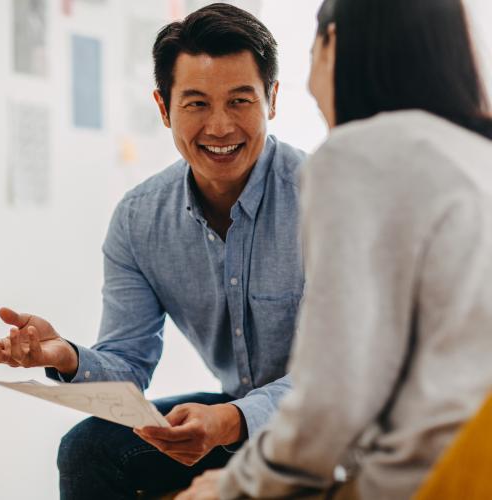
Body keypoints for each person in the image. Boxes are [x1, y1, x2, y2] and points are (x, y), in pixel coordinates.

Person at [0, 3, 306, 498]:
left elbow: (350, 379)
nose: (219, 127)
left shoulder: (330, 199)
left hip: (335, 426)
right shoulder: (139, 218)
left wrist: (234, 418)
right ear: (163, 107)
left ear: (272, 99)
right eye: (196, 103)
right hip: (238, 422)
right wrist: (65, 357)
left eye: (240, 101)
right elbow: (127, 365)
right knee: (87, 448)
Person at [178, 0, 492, 498]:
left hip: (428, 480)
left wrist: (233, 486)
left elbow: (332, 402)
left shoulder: (356, 156)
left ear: (334, 45)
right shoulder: (478, 154)